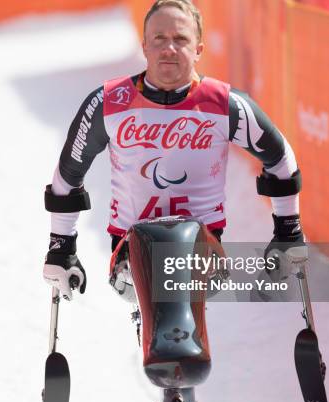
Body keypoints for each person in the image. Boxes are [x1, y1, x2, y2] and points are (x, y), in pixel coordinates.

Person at [43, 0, 305, 301]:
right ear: (144, 46)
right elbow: (69, 174)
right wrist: (61, 246)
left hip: (203, 251)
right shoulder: (107, 102)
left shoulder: (225, 104)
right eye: (159, 38)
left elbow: (280, 157)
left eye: (180, 39)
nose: (169, 48)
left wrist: (288, 231)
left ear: (199, 49)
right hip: (129, 251)